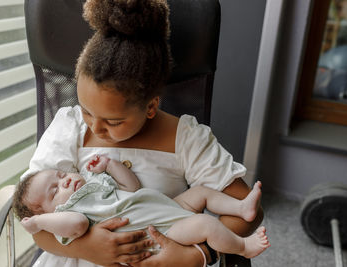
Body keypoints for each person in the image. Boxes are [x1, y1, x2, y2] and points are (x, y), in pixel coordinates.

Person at [21, 0, 265, 266]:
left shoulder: (186, 139)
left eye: (113, 122)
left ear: (150, 106)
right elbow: (36, 220)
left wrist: (198, 255)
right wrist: (89, 248)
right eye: (86, 110)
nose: (95, 127)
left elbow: (246, 209)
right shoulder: (70, 126)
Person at [14, 155, 269, 264]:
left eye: (60, 175)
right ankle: (243, 247)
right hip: (161, 229)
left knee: (201, 192)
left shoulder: (92, 180)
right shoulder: (67, 216)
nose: (65, 181)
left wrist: (110, 165)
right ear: (48, 214)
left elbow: (131, 185)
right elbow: (78, 226)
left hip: (162, 205)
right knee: (207, 225)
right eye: (55, 190)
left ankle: (241, 207)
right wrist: (40, 224)